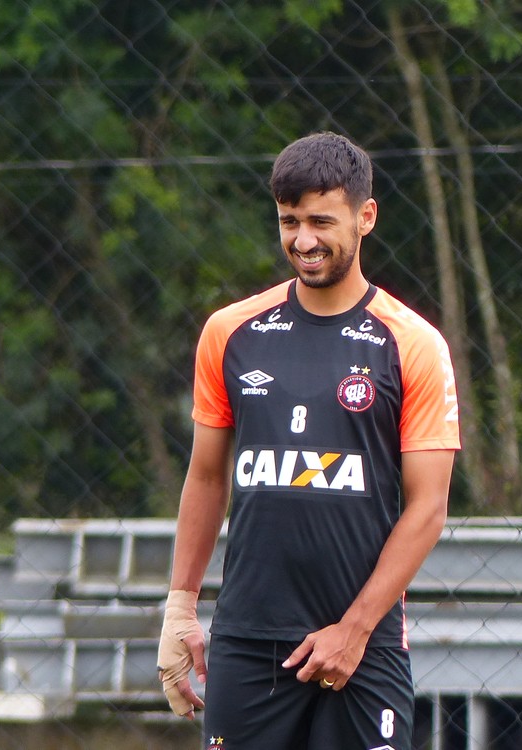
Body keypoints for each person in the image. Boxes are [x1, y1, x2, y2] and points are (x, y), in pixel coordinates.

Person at [157, 131, 460, 750]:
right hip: (248, 640)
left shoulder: (413, 344)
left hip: (362, 642)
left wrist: (354, 628)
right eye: (289, 221)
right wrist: (179, 611)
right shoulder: (231, 332)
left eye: (322, 221)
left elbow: (427, 507)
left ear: (365, 217)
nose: (303, 240)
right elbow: (208, 477)